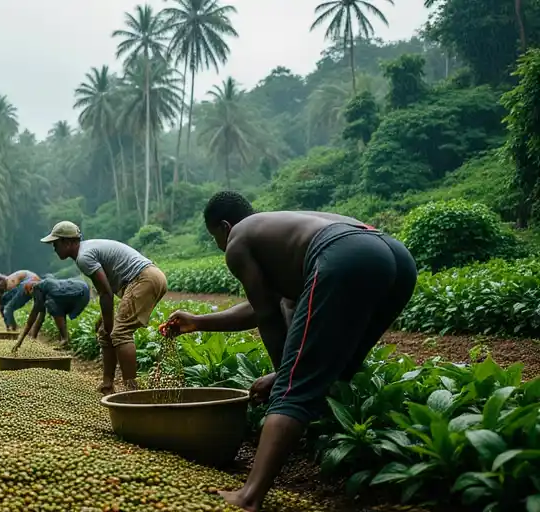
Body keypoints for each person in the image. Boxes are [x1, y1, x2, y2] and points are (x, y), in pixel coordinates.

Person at [161, 191, 417, 512]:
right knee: (338, 366)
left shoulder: (239, 241)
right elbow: (263, 308)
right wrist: (198, 322)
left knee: (294, 388)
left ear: (225, 227)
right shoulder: (281, 234)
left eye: (216, 238)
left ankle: (249, 496)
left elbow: (267, 317)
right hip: (392, 253)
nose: (219, 246)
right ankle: (334, 452)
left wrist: (284, 378)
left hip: (346, 253)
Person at [41, 221, 167, 394]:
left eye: (56, 244)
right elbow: (106, 291)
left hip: (144, 278)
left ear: (68, 242)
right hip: (149, 277)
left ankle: (131, 391)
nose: (54, 248)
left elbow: (106, 293)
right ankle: (107, 383)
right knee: (104, 331)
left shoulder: (84, 257)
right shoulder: (86, 252)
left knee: (119, 332)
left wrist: (109, 325)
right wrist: (105, 322)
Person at [11, 274, 92, 352]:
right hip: (81, 291)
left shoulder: (37, 288)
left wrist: (20, 341)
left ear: (31, 289)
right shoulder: (42, 291)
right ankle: (64, 340)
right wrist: (32, 339)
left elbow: (32, 317)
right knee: (56, 306)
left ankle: (65, 339)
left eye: (29, 294)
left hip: (80, 293)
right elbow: (40, 318)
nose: (32, 297)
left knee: (51, 304)